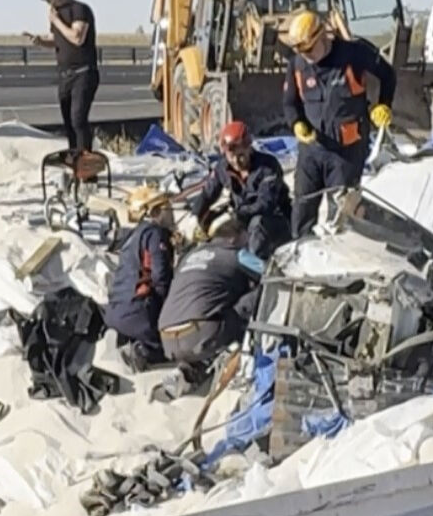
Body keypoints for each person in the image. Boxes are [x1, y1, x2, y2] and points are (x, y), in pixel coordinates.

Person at [281, 8, 396, 236]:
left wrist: (383, 104)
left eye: (310, 50)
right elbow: (289, 103)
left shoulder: (353, 54)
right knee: (302, 211)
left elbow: (388, 74)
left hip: (347, 152)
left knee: (341, 216)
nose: (307, 56)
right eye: (300, 51)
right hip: (311, 152)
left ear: (322, 37)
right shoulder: (297, 65)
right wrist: (296, 123)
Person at [158, 215, 264, 377]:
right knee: (261, 292)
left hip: (167, 340)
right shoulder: (235, 254)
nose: (247, 245)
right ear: (232, 239)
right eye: (245, 240)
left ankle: (192, 367)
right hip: (202, 335)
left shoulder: (188, 257)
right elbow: (271, 273)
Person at [187, 120, 293, 261]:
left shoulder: (268, 167)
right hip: (241, 219)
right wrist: (195, 216)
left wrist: (236, 214)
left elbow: (265, 204)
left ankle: (254, 273)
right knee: (210, 224)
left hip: (274, 220)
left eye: (241, 155)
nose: (236, 161)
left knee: (257, 224)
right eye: (231, 157)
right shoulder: (222, 168)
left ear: (249, 148)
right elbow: (207, 194)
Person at [106, 186, 177, 369]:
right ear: (155, 212)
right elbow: (161, 276)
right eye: (168, 208)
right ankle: (143, 352)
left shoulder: (132, 237)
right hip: (138, 313)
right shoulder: (155, 234)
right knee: (175, 350)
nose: (173, 214)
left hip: (115, 313)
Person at [29, 0, 99, 153]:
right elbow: (57, 39)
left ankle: (86, 164)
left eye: (52, 0)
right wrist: (40, 41)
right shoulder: (58, 16)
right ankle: (74, 159)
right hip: (65, 76)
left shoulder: (79, 10)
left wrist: (56, 20)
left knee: (78, 119)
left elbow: (77, 37)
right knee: (69, 123)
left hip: (83, 73)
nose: (51, 6)